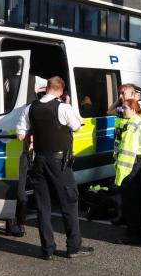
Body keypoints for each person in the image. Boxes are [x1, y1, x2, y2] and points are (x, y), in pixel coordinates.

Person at [18, 76, 93, 260]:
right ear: (61, 90)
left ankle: (47, 249)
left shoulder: (30, 108)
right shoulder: (63, 107)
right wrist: (67, 104)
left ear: (47, 88)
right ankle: (73, 247)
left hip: (39, 160)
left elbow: (21, 135)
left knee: (43, 207)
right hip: (59, 163)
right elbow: (77, 127)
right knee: (69, 202)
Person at [6, 77, 49, 237]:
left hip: (18, 150)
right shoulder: (25, 105)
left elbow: (49, 85)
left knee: (18, 189)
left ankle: (16, 222)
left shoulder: (32, 80)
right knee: (13, 188)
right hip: (11, 148)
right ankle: (14, 222)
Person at [113, 98, 141, 244]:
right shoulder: (138, 121)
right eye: (122, 108)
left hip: (131, 167)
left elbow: (126, 154)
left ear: (134, 109)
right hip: (139, 165)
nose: (122, 110)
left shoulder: (131, 126)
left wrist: (119, 178)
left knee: (131, 203)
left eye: (125, 108)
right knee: (138, 203)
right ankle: (137, 233)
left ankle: (132, 236)